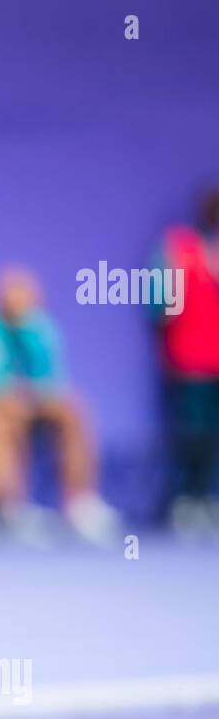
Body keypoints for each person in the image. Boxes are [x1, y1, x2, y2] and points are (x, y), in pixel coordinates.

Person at [0, 266, 118, 544]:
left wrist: (35, 397)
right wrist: (22, 400)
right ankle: (12, 507)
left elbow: (51, 384)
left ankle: (80, 504)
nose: (21, 301)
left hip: (27, 404)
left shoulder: (40, 326)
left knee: (72, 409)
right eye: (13, 293)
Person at [155, 189, 219, 533]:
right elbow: (159, 302)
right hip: (188, 358)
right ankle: (184, 500)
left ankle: (207, 498)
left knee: (212, 435)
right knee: (190, 433)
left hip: (217, 361)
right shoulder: (178, 246)